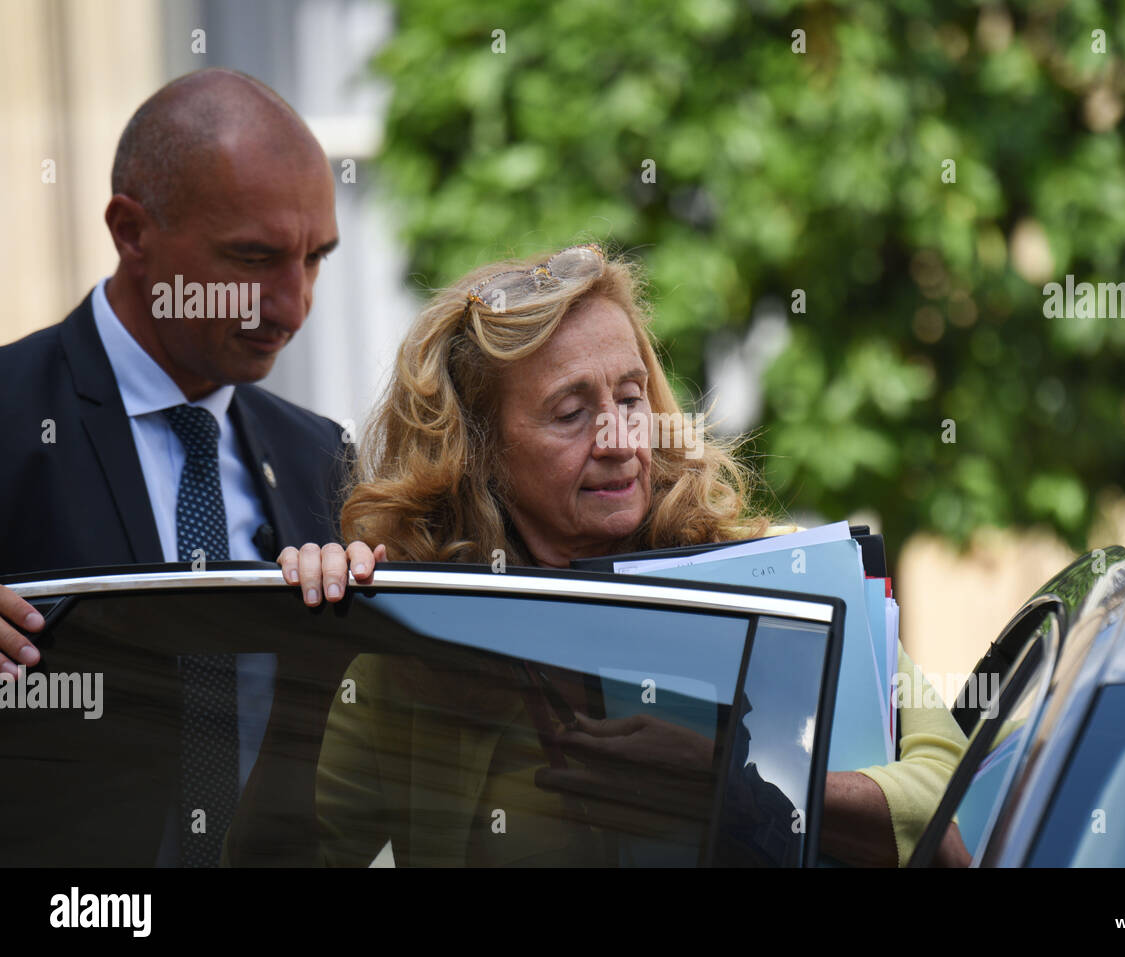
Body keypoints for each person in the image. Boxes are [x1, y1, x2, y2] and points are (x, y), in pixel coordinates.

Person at [279, 243, 972, 866]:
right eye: (571, 411)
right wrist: (310, 648)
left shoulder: (780, 575)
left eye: (632, 398)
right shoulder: (415, 650)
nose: (620, 438)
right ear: (480, 453)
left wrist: (728, 781)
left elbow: (948, 814)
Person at [0, 68, 349, 865]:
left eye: (316, 259)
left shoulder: (323, 461)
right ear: (132, 231)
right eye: (253, 258)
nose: (292, 306)